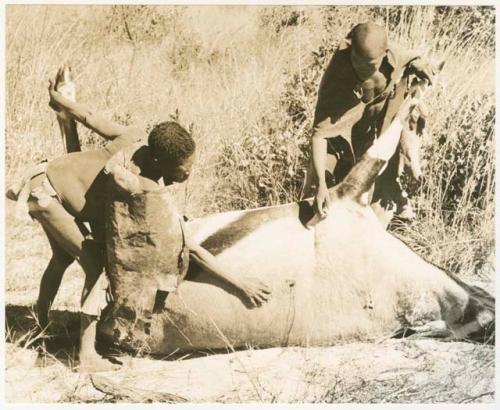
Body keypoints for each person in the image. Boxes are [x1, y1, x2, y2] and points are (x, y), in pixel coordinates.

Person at [21, 71, 272, 372]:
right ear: (160, 163)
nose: (188, 175)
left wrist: (60, 100)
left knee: (61, 258)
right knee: (94, 265)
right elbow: (188, 247)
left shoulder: (135, 139)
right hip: (48, 197)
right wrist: (239, 284)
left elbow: (89, 116)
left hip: (43, 178)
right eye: (183, 169)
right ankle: (86, 356)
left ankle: (41, 322)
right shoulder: (142, 186)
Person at [304, 22, 434, 223]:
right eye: (357, 60)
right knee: (314, 202)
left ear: (384, 56)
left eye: (370, 64)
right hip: (336, 139)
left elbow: (413, 60)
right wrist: (320, 183)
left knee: (361, 200)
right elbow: (320, 135)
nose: (361, 68)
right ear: (350, 49)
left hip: (366, 138)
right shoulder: (337, 76)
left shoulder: (394, 56)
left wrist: (420, 66)